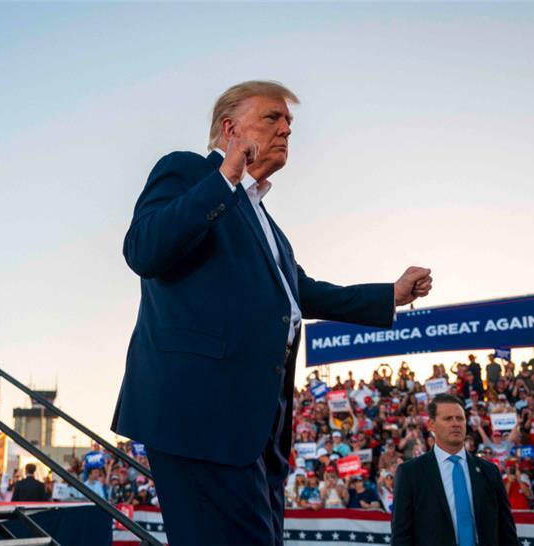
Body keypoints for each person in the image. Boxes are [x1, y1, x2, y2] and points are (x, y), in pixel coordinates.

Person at [111, 80, 433, 546]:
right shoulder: (185, 172)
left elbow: (300, 292)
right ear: (230, 128)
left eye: (289, 123)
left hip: (257, 426)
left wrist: (391, 295)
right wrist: (223, 178)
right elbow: (144, 250)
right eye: (272, 118)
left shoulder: (267, 224)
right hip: (199, 413)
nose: (286, 129)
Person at [392, 393, 517, 546]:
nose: (456, 424)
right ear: (431, 425)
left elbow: (506, 530)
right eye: (448, 419)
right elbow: (401, 536)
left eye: (460, 418)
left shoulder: (489, 471)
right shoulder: (410, 473)